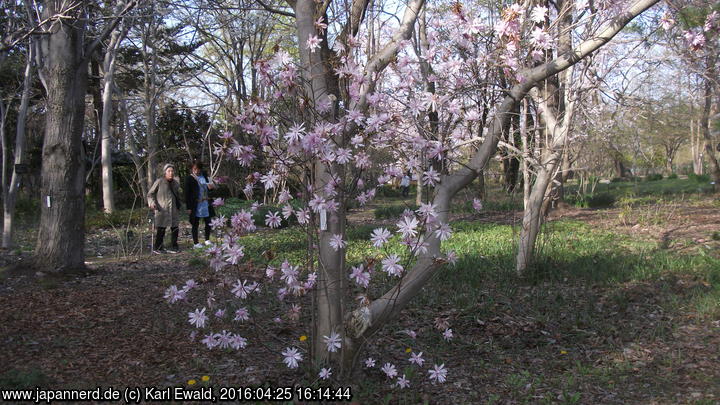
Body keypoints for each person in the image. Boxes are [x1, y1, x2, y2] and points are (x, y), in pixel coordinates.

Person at [148, 163, 182, 254]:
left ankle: (174, 246)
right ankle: (158, 247)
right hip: (161, 209)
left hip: (173, 209)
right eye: (169, 171)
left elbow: (179, 194)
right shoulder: (159, 181)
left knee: (175, 227)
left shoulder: (175, 183)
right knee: (161, 228)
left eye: (172, 171)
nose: (171, 173)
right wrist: (152, 203)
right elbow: (150, 194)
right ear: (165, 172)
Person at [185, 160, 216, 248]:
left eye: (198, 169)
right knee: (195, 223)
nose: (197, 171)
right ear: (192, 169)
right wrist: (189, 207)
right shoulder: (189, 179)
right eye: (195, 169)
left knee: (208, 221)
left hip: (206, 202)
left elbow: (210, 188)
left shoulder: (205, 176)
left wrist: (211, 186)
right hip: (196, 204)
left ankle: (207, 239)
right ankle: (196, 243)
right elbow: (187, 194)